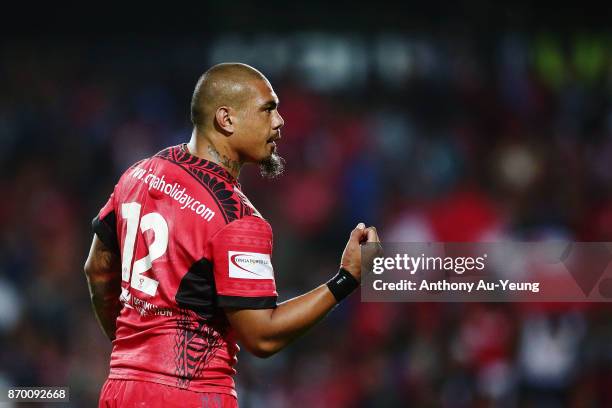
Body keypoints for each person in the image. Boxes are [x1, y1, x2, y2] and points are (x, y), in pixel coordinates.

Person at [84, 62, 381, 407]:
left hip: (120, 388)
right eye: (268, 109)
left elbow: (97, 269)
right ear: (226, 119)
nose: (279, 122)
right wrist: (347, 279)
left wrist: (132, 354)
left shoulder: (138, 175)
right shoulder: (237, 219)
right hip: (192, 394)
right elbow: (262, 337)